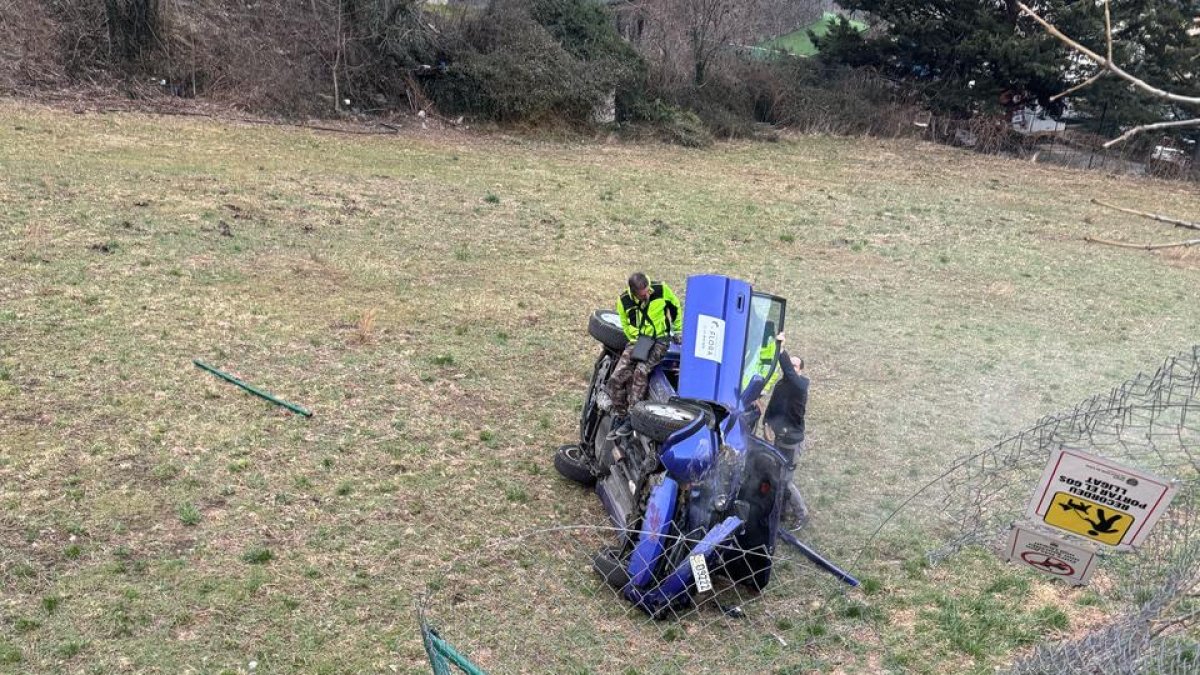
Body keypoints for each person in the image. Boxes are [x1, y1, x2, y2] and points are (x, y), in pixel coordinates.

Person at [606, 272, 683, 439]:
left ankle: (633, 416)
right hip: (639, 341)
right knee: (616, 379)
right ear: (634, 293)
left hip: (660, 340)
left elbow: (675, 306)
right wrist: (639, 339)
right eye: (643, 294)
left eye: (648, 290)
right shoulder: (624, 301)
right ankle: (621, 414)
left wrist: (676, 329)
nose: (648, 294)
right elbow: (626, 324)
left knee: (641, 371)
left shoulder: (661, 289)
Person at [763, 332, 810, 525]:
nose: (790, 368)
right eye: (789, 363)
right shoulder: (782, 385)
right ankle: (781, 512)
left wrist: (781, 350)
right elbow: (773, 406)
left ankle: (802, 515)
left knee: (786, 481)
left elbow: (788, 372)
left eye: (794, 365)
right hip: (780, 439)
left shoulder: (800, 386)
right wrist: (766, 423)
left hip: (792, 442)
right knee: (777, 477)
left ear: (800, 371)